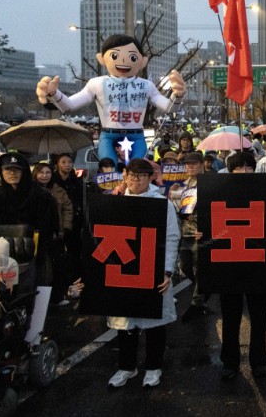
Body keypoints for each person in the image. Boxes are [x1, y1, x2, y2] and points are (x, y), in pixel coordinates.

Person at [36, 34, 186, 164]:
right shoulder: (97, 83)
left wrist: (177, 95)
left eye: (133, 57)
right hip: (108, 135)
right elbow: (70, 104)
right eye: (114, 55)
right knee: (108, 167)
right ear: (102, 58)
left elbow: (169, 108)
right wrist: (53, 94)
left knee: (137, 169)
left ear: (143, 61)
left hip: (136, 135)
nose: (123, 61)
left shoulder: (146, 85)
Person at [106, 158, 179, 388]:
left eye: (140, 176)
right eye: (131, 175)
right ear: (125, 176)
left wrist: (167, 271)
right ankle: (126, 367)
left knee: (153, 321)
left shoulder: (161, 203)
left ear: (150, 178)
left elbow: (171, 237)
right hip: (124, 269)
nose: (135, 180)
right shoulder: (115, 202)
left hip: (152, 268)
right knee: (125, 322)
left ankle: (153, 366)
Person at [219, 151, 266, 380]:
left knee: (259, 317)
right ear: (230, 172)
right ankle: (230, 362)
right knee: (230, 317)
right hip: (229, 262)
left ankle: (259, 361)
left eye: (248, 168)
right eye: (238, 169)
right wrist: (203, 235)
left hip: (258, 263)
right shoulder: (219, 191)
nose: (243, 172)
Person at [0, 154, 58, 291]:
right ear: (1, 171)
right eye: (8, 169)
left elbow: (49, 226)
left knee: (33, 287)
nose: (12, 173)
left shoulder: (41, 195)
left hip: (34, 252)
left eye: (17, 169)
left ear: (24, 171)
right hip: (2, 253)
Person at [32, 162, 74, 306]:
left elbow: (68, 209)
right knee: (39, 269)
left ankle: (57, 297)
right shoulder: (30, 191)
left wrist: (64, 229)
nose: (44, 175)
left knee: (57, 268)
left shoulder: (58, 190)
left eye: (48, 172)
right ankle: (38, 302)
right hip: (37, 237)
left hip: (57, 235)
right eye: (41, 172)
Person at [176, 152, 210, 323]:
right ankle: (204, 289)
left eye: (194, 164)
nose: (190, 167)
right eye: (187, 164)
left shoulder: (209, 183)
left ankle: (196, 302)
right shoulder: (184, 185)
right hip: (186, 231)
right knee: (185, 266)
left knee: (199, 268)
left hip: (201, 232)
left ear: (202, 164)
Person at [52, 153, 84, 281]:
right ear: (58, 164)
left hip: (75, 220)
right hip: (57, 220)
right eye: (63, 162)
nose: (67, 165)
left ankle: (75, 278)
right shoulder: (52, 181)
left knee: (75, 250)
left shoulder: (77, 180)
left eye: (69, 162)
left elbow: (81, 199)